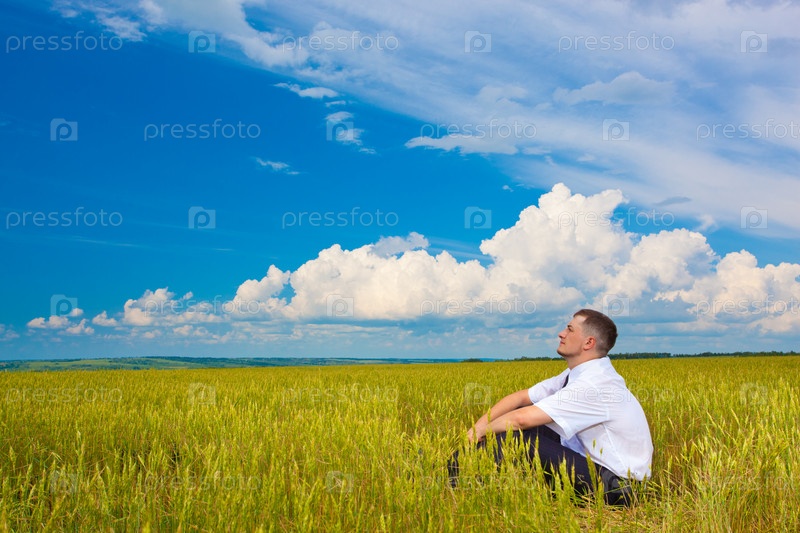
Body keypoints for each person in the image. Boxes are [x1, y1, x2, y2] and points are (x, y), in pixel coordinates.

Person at [449, 309, 653, 505]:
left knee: (518, 438)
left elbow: (521, 419)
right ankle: (456, 474)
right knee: (526, 429)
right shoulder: (578, 373)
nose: (561, 333)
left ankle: (455, 482)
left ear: (588, 342)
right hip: (600, 470)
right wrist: (478, 426)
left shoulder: (594, 384)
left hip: (620, 487)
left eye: (570, 329)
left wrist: (482, 431)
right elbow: (521, 397)